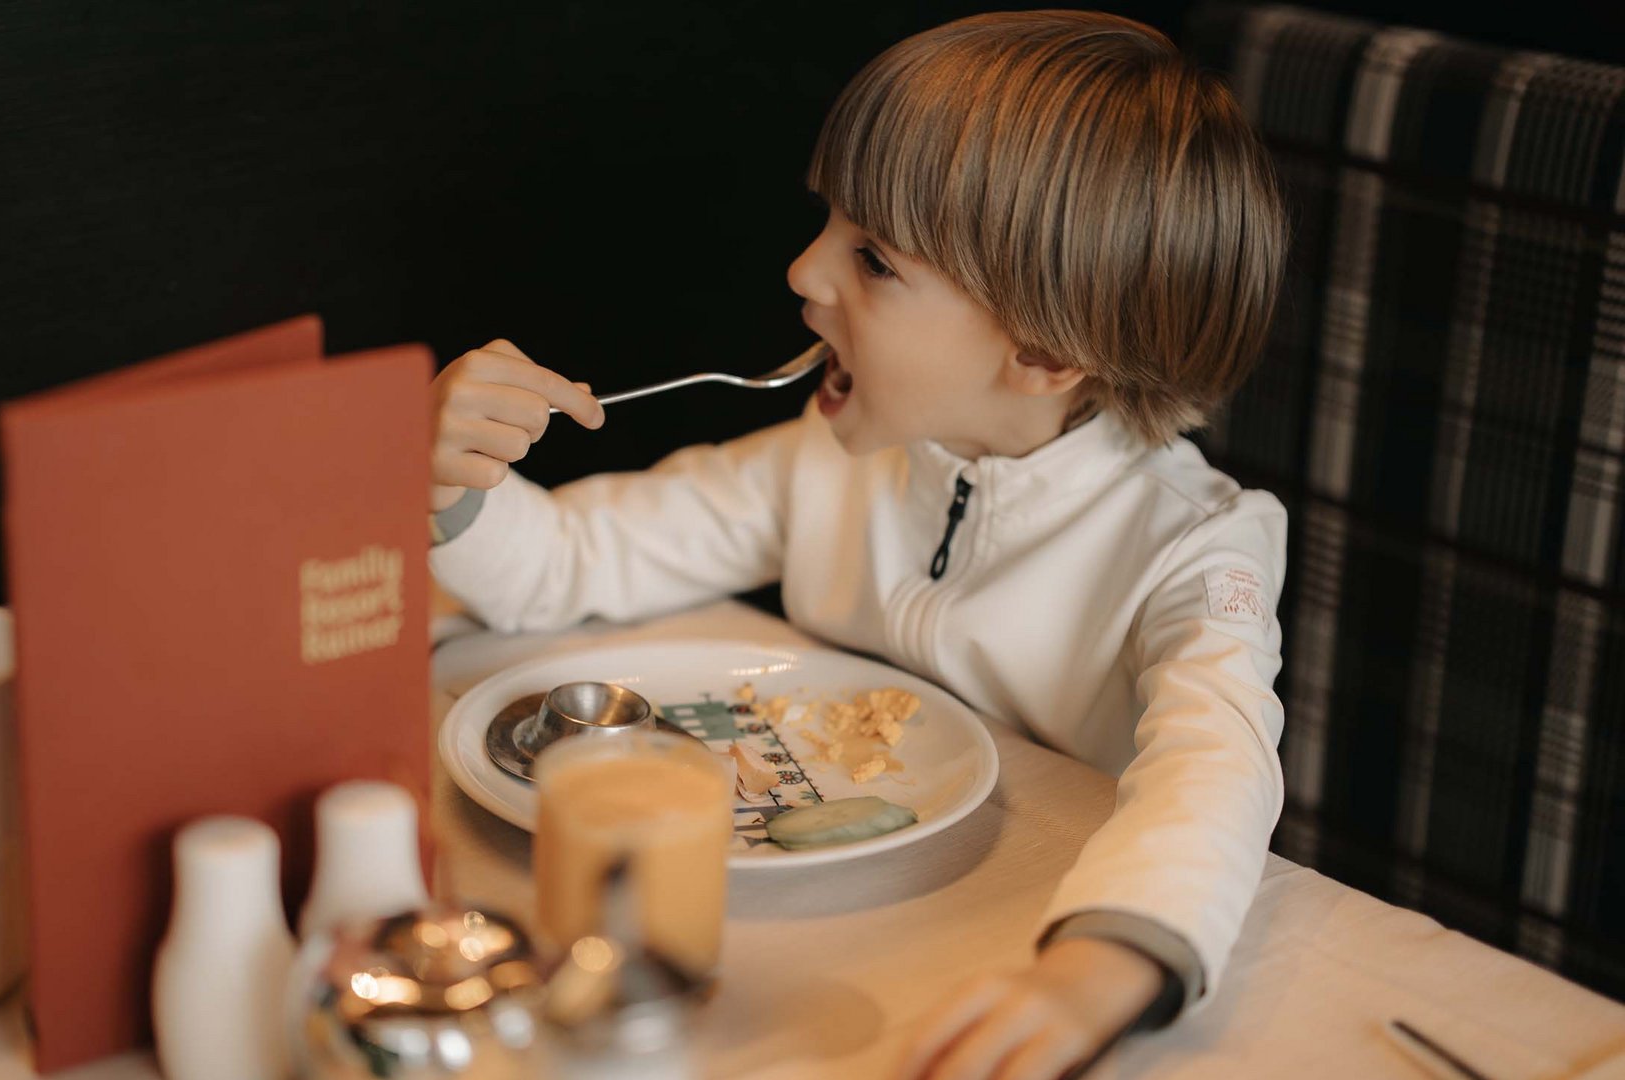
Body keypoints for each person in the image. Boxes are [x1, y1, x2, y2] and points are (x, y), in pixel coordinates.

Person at [425, 11, 1290, 1080]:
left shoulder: (1198, 548)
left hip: (1010, 948)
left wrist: (1103, 965)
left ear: (1042, 350)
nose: (802, 270)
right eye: (827, 222)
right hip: (787, 942)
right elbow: (566, 564)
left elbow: (1217, 769)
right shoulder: (832, 456)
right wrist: (453, 481)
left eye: (872, 259)